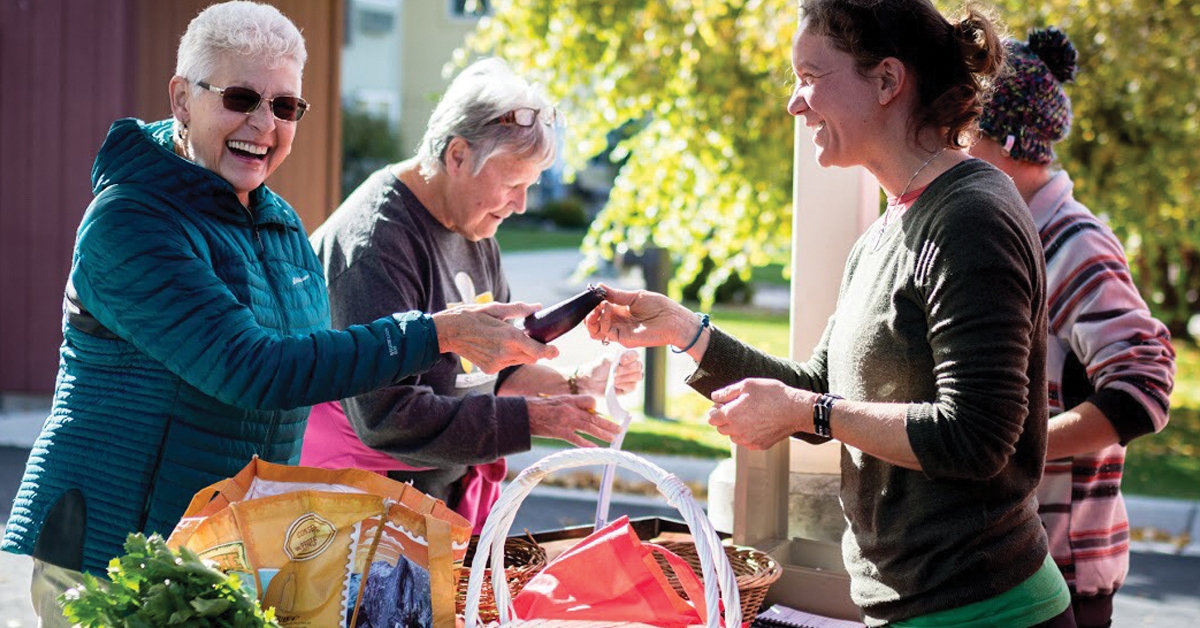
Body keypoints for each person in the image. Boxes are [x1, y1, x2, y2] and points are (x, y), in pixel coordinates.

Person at [0, 3, 563, 625]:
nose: (263, 125)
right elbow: (253, 370)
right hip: (104, 552)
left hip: (212, 556)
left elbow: (320, 368)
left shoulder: (279, 224)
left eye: (285, 106)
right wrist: (437, 332)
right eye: (241, 98)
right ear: (182, 99)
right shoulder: (130, 223)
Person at [587, 1, 1077, 626]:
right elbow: (822, 387)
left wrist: (810, 413)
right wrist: (686, 332)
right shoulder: (886, 230)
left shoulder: (971, 216)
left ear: (886, 80)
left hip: (988, 611)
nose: (795, 103)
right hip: (908, 607)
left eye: (810, 76)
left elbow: (975, 438)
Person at [301, 58, 637, 532]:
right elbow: (386, 416)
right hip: (349, 515)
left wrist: (578, 383)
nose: (521, 205)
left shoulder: (475, 227)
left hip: (429, 502)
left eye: (531, 186)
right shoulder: (374, 245)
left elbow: (492, 369)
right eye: (513, 183)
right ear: (457, 155)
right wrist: (532, 420)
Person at [968, 27, 1176, 628]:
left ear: (1002, 139)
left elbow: (1146, 388)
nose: (947, 146)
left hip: (1063, 580)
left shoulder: (1073, 243)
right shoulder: (1013, 233)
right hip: (1014, 568)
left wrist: (1013, 452)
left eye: (962, 130)